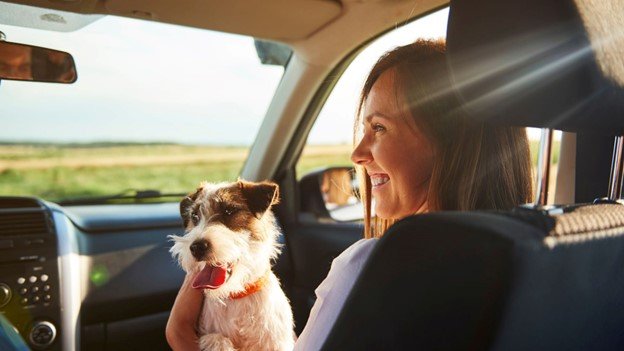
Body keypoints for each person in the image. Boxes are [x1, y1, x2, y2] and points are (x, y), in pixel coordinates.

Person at [166, 38, 533, 350]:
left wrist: (180, 329)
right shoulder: (542, 256)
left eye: (379, 127)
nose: (357, 153)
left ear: (449, 141)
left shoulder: (369, 266)